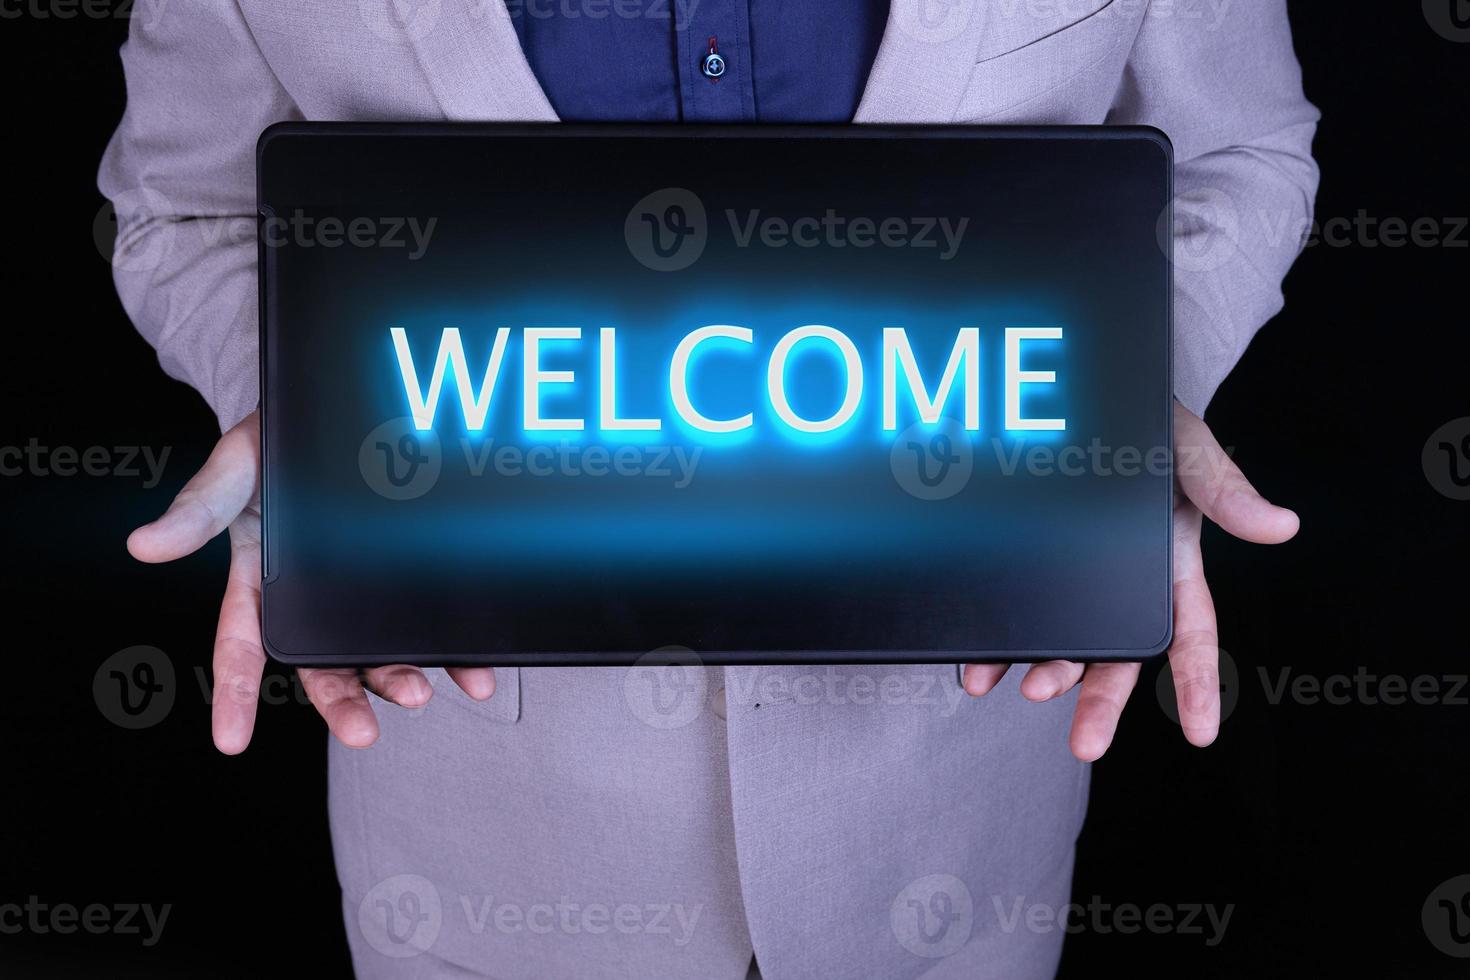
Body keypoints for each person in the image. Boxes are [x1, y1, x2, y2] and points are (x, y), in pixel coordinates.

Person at [99, 2, 1317, 977]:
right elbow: (185, 208)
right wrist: (317, 404)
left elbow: (1239, 152)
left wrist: (1109, 399)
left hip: (948, 831)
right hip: (495, 847)